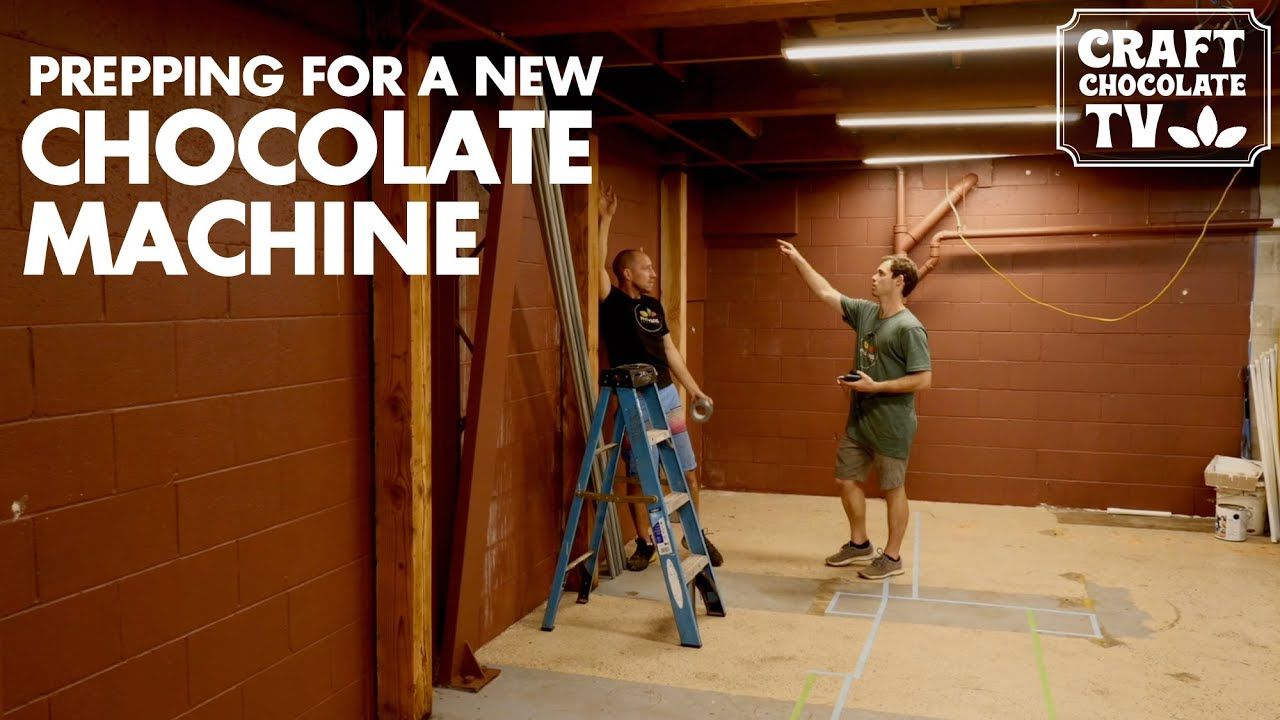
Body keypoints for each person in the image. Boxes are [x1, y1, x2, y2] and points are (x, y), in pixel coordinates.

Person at [777, 240, 932, 580]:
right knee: (846, 479)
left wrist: (876, 387)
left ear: (899, 281)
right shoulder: (865, 313)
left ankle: (892, 557)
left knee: (893, 489)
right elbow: (825, 291)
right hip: (860, 421)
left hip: (892, 424)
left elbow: (923, 379)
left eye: (881, 273)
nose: (873, 277)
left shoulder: (909, 327)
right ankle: (859, 544)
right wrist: (799, 259)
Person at [597, 185, 723, 571]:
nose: (653, 273)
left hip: (667, 396)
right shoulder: (613, 303)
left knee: (688, 471)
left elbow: (669, 350)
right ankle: (646, 541)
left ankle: (693, 534)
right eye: (647, 268)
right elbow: (595, 266)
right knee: (641, 478)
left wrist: (694, 390)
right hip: (635, 401)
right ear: (627, 273)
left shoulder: (653, 306)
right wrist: (606, 219)